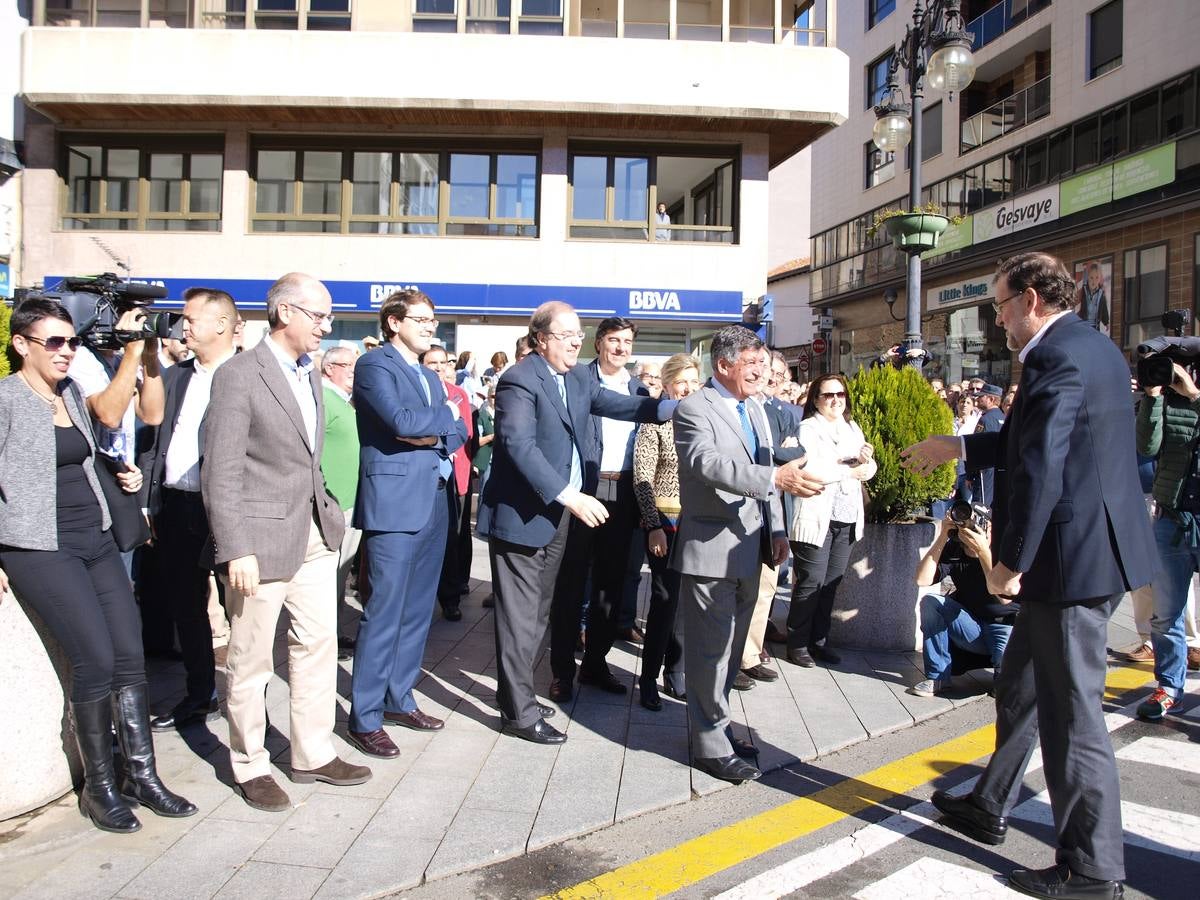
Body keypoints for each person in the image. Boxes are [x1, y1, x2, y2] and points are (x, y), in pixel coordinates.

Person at [902, 251, 1155, 900]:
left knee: (1074, 719)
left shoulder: (1053, 356)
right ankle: (991, 801)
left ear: (1031, 301)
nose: (998, 319)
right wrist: (957, 444)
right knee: (1019, 687)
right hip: (1093, 551)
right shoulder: (1092, 345)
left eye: (1000, 306)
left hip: (1070, 563)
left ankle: (1094, 870)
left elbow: (1041, 464)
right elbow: (1035, 440)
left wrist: (1009, 562)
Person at [0, 298, 196, 833]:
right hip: (40, 547)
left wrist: (116, 470)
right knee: (94, 658)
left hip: (98, 536)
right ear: (21, 345)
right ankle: (99, 786)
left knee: (130, 654)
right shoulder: (6, 399)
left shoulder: (68, 392)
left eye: (71, 341)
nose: (66, 351)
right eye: (53, 342)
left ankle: (143, 776)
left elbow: (84, 449)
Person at [203, 273, 370, 811]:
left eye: (328, 316)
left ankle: (313, 753)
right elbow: (221, 470)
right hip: (259, 544)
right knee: (251, 660)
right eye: (319, 315)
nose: (327, 326)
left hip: (315, 536)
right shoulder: (238, 375)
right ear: (284, 313)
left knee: (317, 646)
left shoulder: (310, 374)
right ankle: (250, 764)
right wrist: (235, 548)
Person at [476, 301, 671, 745]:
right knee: (520, 618)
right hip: (523, 517)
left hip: (556, 518)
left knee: (537, 615)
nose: (575, 343)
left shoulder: (575, 379)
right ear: (541, 338)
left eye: (578, 336)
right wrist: (571, 495)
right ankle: (519, 714)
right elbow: (518, 445)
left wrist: (675, 408)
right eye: (566, 336)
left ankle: (516, 697)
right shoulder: (519, 379)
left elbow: (621, 405)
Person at [672, 326, 824, 784]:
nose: (762, 372)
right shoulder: (693, 408)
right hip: (711, 551)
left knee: (733, 651)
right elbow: (707, 463)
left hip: (751, 547)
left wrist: (777, 530)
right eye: (752, 363)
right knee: (710, 653)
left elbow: (769, 469)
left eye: (763, 363)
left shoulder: (755, 408)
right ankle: (710, 746)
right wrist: (773, 479)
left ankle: (719, 728)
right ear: (723, 365)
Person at [349, 291, 467, 759]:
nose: (430, 327)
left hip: (435, 499)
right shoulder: (374, 365)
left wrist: (432, 428)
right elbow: (400, 421)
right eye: (420, 319)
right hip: (395, 505)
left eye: (433, 320)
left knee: (418, 611)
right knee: (384, 612)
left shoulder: (429, 376)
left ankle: (399, 698)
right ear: (394, 322)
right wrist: (443, 418)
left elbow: (459, 432)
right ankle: (365, 717)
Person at [140, 287, 239, 732]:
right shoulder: (176, 375)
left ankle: (247, 706)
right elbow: (154, 437)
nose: (183, 328)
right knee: (187, 606)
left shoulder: (247, 375)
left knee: (241, 611)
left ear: (221, 324)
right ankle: (200, 695)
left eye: (191, 319)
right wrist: (149, 502)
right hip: (177, 506)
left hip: (227, 511)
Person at [548, 317, 651, 702]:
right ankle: (561, 671)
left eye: (627, 341)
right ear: (599, 343)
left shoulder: (640, 389)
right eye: (614, 340)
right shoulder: (577, 380)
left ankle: (595, 663)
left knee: (611, 584)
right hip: (583, 489)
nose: (621, 348)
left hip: (623, 491)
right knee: (572, 582)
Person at [782, 373, 875, 668]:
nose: (836, 400)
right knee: (811, 581)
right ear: (816, 400)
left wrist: (865, 462)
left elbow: (868, 467)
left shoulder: (851, 427)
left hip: (847, 516)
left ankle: (819, 641)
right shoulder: (808, 428)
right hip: (816, 516)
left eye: (840, 394)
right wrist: (848, 469)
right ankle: (797, 643)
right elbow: (810, 470)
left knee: (831, 584)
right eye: (828, 395)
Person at [1133, 354, 1200, 721]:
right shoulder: (1164, 401)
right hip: (1172, 520)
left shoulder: (1192, 397)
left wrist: (1194, 396)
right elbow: (1147, 446)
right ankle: (1169, 687)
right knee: (1166, 614)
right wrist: (1153, 397)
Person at [631, 353, 699, 711]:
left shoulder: (704, 421)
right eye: (681, 381)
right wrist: (653, 525)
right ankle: (648, 678)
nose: (687, 388)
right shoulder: (655, 421)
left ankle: (677, 671)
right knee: (664, 600)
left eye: (693, 381)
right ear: (668, 384)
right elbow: (642, 476)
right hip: (665, 522)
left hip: (698, 523)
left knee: (686, 602)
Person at [740, 348, 805, 684]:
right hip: (743, 506)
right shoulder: (740, 405)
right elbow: (760, 456)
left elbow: (798, 452)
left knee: (766, 586)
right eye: (762, 366)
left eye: (775, 372)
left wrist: (775, 455)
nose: (768, 375)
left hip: (772, 507)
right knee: (737, 589)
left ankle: (751, 653)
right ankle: (732, 656)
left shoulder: (784, 411)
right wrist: (776, 455)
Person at [910, 508, 1016, 696]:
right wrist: (943, 535)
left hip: (1005, 627)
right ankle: (938, 677)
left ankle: (1003, 676)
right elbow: (921, 579)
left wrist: (983, 551)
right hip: (971, 626)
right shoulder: (955, 549)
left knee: (1005, 691)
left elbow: (1002, 596)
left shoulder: (1004, 550)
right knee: (931, 602)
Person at [422, 343, 474, 621]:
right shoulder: (417, 391)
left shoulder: (458, 394)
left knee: (451, 539)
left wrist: (433, 439)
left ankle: (450, 599)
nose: (440, 368)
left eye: (444, 363)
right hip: (423, 477)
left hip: (453, 473)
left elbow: (463, 432)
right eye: (433, 363)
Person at [318, 345, 362, 661]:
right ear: (329, 367)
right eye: (347, 365)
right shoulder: (323, 399)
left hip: (349, 504)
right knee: (327, 579)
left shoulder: (345, 402)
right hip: (333, 506)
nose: (353, 372)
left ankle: (332, 633)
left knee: (339, 576)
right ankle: (323, 641)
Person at [476, 385, 499, 609]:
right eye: (493, 395)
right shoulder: (483, 414)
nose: (496, 399)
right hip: (492, 470)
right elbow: (476, 440)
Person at [967, 383, 1005, 506]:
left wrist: (969, 475)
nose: (978, 399)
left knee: (981, 507)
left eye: (981, 396)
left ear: (991, 399)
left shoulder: (985, 419)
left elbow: (975, 448)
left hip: (984, 472)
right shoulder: (1004, 418)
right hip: (1000, 471)